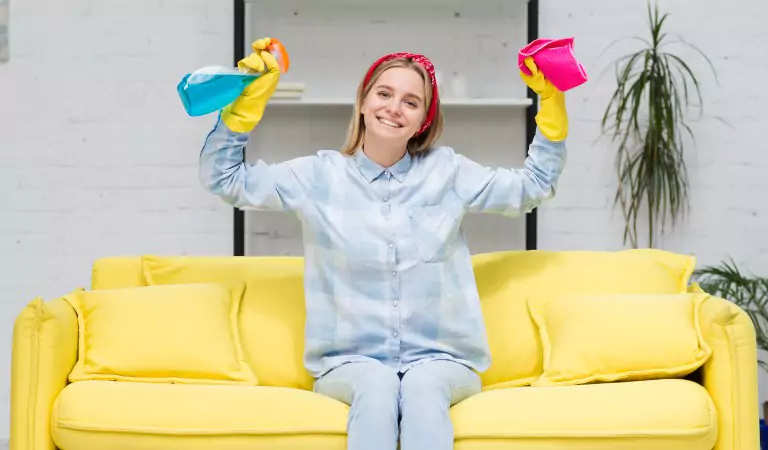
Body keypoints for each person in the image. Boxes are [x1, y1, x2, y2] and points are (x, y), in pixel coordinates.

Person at [198, 37, 568, 450]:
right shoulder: (318, 176)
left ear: (423, 120)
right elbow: (225, 179)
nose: (394, 107)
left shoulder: (447, 172)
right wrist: (243, 111)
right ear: (363, 101)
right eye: (385, 93)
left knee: (423, 387)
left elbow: (533, 186)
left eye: (411, 102)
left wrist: (550, 108)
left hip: (442, 360)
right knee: (375, 385)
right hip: (348, 363)